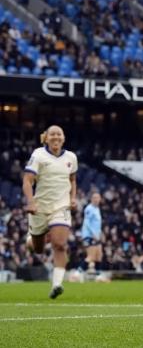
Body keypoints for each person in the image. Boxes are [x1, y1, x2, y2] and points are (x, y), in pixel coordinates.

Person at [22, 125, 78, 299]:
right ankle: (30, 241)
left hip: (61, 207)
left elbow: (72, 179)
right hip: (39, 208)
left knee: (59, 244)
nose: (56, 137)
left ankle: (56, 284)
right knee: (38, 249)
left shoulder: (71, 157)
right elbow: (27, 180)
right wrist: (31, 202)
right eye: (52, 134)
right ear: (46, 138)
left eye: (59, 134)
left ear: (63, 138)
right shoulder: (38, 155)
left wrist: (73, 198)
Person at [81, 192, 102, 273]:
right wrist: (93, 234)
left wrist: (100, 233)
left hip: (97, 235)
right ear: (92, 199)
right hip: (90, 235)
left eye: (98, 198)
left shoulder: (97, 209)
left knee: (99, 256)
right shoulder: (89, 208)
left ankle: (98, 276)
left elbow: (97, 223)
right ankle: (77, 274)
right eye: (95, 198)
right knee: (91, 257)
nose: (97, 199)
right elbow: (87, 223)